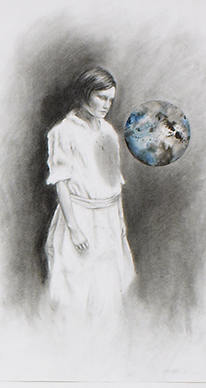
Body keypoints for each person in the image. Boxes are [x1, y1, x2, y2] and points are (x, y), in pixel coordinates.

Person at [43, 67, 136, 318]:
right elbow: (61, 181)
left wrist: (119, 221)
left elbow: (112, 181)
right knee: (76, 288)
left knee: (107, 291)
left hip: (107, 219)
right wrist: (73, 227)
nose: (107, 105)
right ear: (86, 94)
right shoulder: (64, 131)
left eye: (110, 100)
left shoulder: (107, 132)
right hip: (79, 216)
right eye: (101, 97)